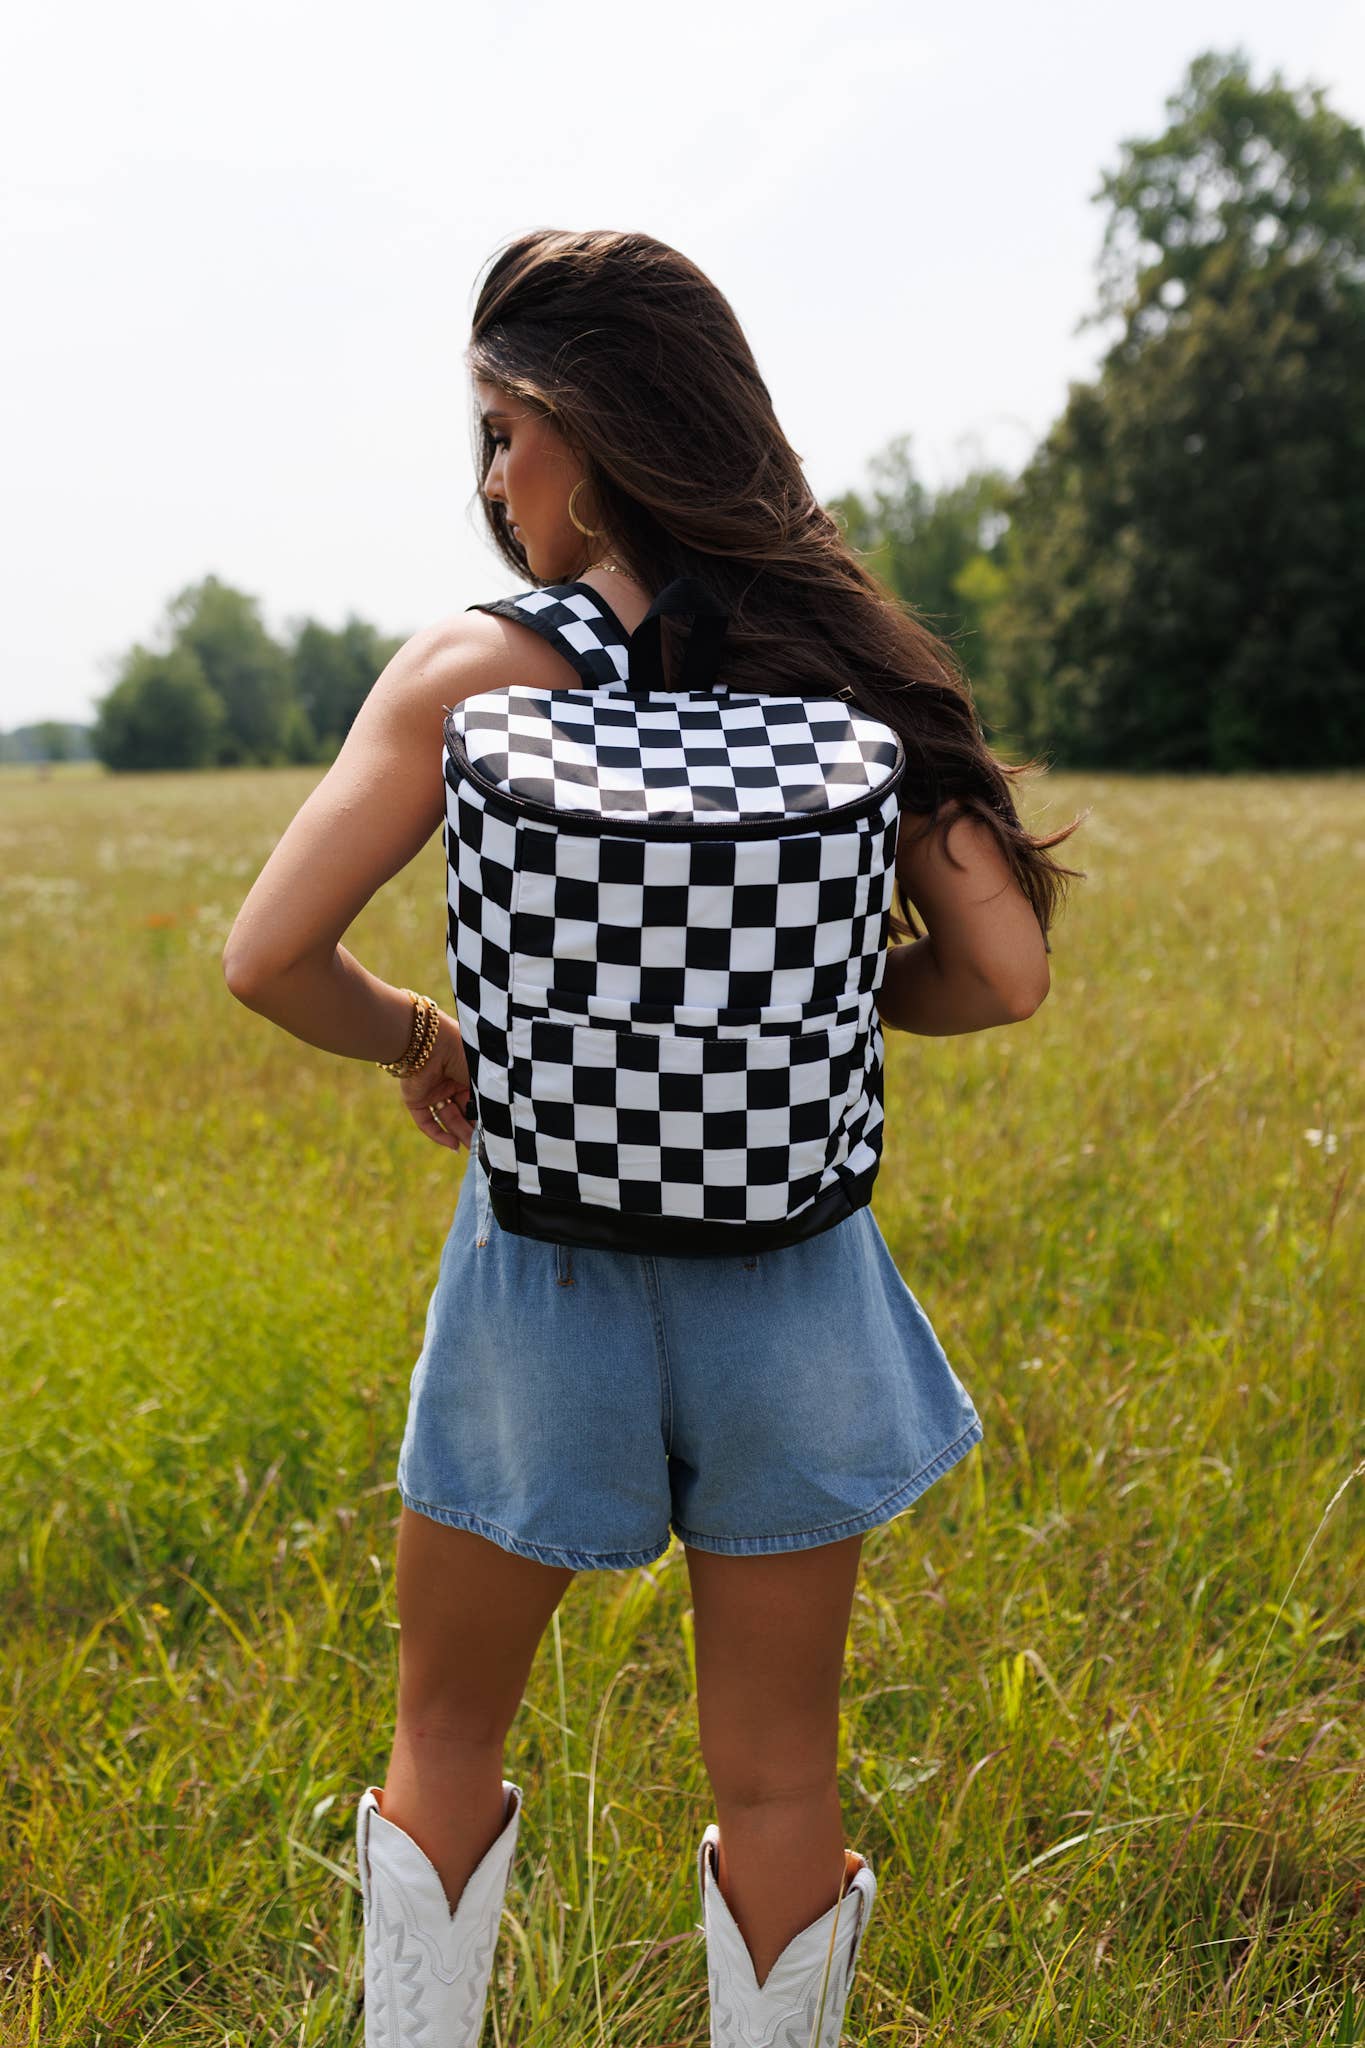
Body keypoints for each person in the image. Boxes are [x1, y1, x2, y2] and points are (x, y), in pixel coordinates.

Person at [223, 228, 1083, 2047]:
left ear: (582, 420)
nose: (489, 483)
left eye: (500, 434)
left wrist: (426, 1037)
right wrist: (798, 1000)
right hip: (791, 1270)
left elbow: (269, 957)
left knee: (445, 1731)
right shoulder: (837, 660)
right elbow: (1002, 973)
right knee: (777, 1773)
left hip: (542, 1270)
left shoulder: (472, 673)